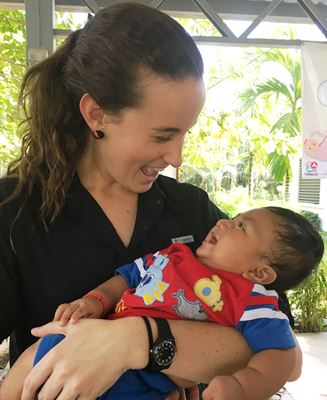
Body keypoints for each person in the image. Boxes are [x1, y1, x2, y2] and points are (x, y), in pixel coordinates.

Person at [0, 3, 302, 400]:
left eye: (185, 134)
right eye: (162, 136)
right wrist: (195, 352)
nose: (177, 157)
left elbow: (283, 353)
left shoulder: (192, 209)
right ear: (97, 116)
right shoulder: (14, 210)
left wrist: (139, 341)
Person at [2, 206, 323, 400]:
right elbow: (126, 279)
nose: (224, 222)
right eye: (233, 218)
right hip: (73, 347)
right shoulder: (173, 255)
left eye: (240, 226)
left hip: (140, 380)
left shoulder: (251, 298)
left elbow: (281, 358)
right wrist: (95, 300)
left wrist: (242, 387)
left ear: (258, 271)